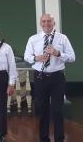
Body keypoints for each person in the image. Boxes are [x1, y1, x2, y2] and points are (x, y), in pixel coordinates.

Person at [24, 14, 76, 142]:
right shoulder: (33, 39)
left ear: (54, 23)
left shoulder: (62, 38)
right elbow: (27, 56)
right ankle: (44, 138)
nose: (46, 24)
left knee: (58, 110)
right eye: (44, 21)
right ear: (40, 23)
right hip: (40, 77)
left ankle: (59, 139)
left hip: (57, 77)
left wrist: (57, 53)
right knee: (42, 109)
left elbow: (72, 57)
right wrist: (36, 58)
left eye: (49, 21)